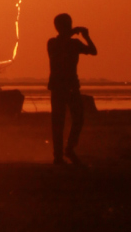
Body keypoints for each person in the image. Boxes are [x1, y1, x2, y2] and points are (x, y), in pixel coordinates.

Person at [47, 13, 97, 165]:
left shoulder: (73, 43)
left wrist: (86, 37)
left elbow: (93, 51)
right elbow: (63, 42)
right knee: (59, 122)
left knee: (77, 119)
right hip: (60, 88)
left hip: (70, 87)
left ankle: (67, 149)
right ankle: (59, 156)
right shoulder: (53, 43)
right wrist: (77, 33)